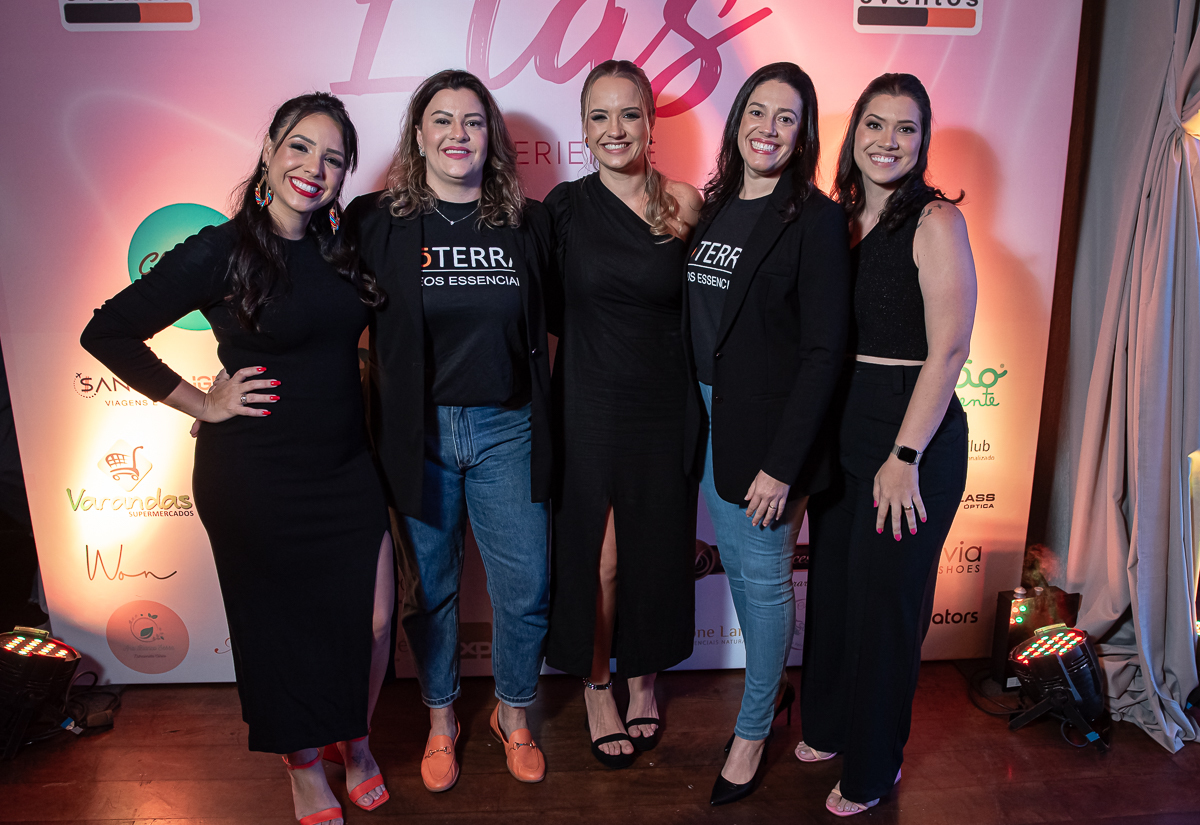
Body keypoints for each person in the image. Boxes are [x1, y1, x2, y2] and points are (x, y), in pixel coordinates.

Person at [81, 93, 393, 825]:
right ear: (270, 149)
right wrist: (203, 403)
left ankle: (354, 736)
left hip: (345, 465)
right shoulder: (219, 249)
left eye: (334, 158)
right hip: (255, 474)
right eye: (300, 147)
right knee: (277, 630)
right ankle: (303, 764)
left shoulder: (342, 247)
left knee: (374, 620)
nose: (314, 168)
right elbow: (108, 332)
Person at [344, 69, 556, 792]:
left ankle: (513, 712)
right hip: (418, 434)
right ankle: (441, 718)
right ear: (418, 133)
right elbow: (324, 311)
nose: (458, 134)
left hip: (508, 429)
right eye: (442, 119)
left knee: (525, 585)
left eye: (472, 120)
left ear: (490, 135)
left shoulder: (525, 223)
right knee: (428, 590)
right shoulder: (376, 221)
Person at [798, 72, 976, 817]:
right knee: (836, 590)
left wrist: (904, 458)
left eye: (906, 128)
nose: (888, 141)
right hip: (843, 417)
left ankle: (874, 767)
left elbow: (951, 348)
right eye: (875, 124)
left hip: (911, 427)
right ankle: (829, 724)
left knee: (885, 608)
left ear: (922, 141)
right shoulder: (837, 218)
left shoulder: (935, 220)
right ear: (855, 133)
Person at [683, 62, 852, 806]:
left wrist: (783, 466)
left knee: (766, 580)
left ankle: (753, 729)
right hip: (707, 419)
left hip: (768, 435)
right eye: (758, 111)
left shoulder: (815, 220)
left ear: (804, 133)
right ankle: (770, 693)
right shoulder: (717, 205)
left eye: (787, 117)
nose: (769, 128)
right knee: (750, 583)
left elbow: (824, 352)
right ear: (737, 120)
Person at [542, 60, 702, 769]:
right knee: (600, 559)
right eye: (600, 116)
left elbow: (714, 308)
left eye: (629, 113)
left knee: (657, 552)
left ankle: (644, 678)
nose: (615, 129)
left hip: (665, 406)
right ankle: (597, 684)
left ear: (650, 122)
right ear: (583, 128)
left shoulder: (684, 204)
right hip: (588, 403)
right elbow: (537, 307)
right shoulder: (563, 208)